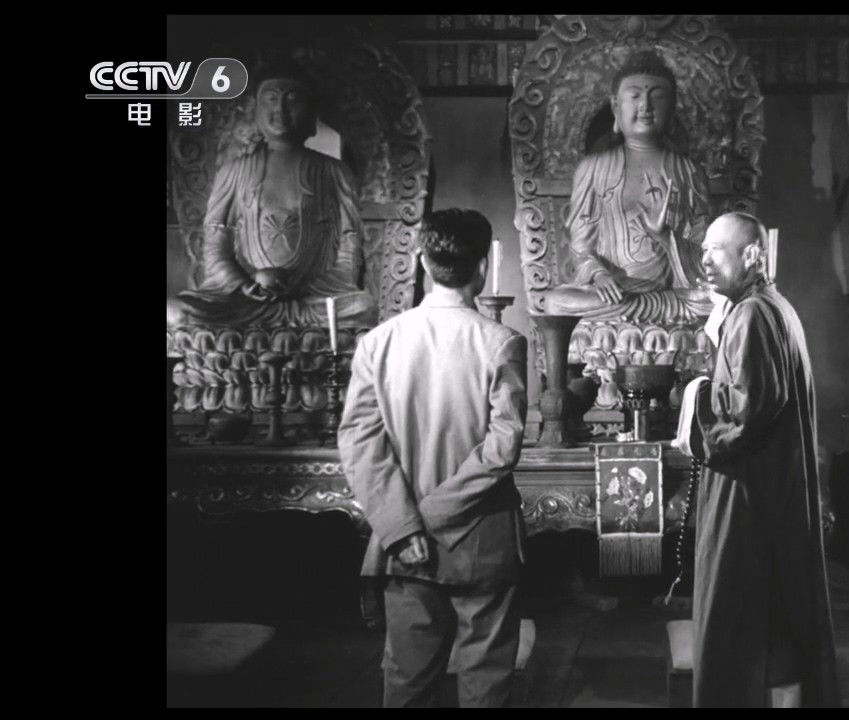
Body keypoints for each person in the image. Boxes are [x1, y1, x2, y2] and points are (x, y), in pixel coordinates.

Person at [338, 209, 527, 707]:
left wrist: (405, 528)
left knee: (407, 679)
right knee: (485, 679)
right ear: (483, 267)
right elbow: (502, 448)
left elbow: (360, 445)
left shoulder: (377, 344)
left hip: (404, 546)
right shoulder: (502, 342)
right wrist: (433, 517)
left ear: (422, 262)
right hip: (481, 539)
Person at [688, 212, 841, 707]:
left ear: (752, 255)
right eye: (704, 249)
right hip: (774, 484)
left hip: (748, 489)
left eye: (717, 250)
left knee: (738, 610)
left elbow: (746, 414)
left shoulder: (754, 313)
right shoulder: (770, 308)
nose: (705, 260)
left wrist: (696, 395)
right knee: (776, 612)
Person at [168, 62, 377, 328]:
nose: (280, 110)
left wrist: (309, 287)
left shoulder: (334, 171)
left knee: (363, 307)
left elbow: (349, 247)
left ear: (312, 115)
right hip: (245, 301)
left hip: (312, 299)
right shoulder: (234, 171)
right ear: (256, 112)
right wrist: (244, 286)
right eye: (270, 100)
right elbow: (215, 246)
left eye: (292, 101)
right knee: (177, 312)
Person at [542, 50, 713, 324]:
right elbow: (580, 247)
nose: (645, 105)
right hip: (614, 297)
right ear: (615, 106)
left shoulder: (689, 171)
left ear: (671, 107)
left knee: (712, 302)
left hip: (672, 297)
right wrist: (599, 275)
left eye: (657, 96)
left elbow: (703, 252)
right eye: (634, 96)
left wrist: (665, 236)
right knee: (556, 301)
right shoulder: (594, 168)